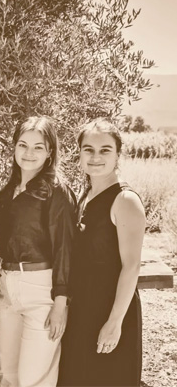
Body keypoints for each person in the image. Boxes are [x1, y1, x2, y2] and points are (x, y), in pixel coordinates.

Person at [59, 119, 145, 386]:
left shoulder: (125, 200)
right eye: (88, 149)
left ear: (118, 154)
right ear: (79, 153)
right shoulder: (85, 195)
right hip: (82, 311)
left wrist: (114, 323)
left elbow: (131, 267)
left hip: (109, 311)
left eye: (105, 150)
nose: (96, 157)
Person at [0, 116, 77, 386]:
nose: (29, 153)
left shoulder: (56, 191)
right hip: (5, 288)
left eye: (38, 147)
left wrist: (60, 303)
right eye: (22, 145)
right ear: (14, 148)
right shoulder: (7, 191)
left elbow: (65, 248)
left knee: (34, 379)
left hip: (42, 292)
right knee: (7, 373)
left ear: (50, 151)